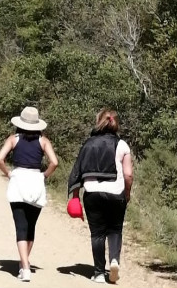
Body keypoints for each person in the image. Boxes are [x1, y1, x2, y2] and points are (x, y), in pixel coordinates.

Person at [67, 109, 133, 284]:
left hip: (92, 194)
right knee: (115, 229)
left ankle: (98, 273)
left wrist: (75, 195)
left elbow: (78, 170)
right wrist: (127, 193)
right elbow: (128, 175)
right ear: (115, 124)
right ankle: (114, 261)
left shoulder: (88, 144)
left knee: (97, 234)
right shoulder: (122, 145)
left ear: (99, 122)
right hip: (116, 193)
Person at [0, 106, 58, 282]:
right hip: (36, 181)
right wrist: (44, 175)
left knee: (20, 226)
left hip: (18, 181)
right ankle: (25, 264)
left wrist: (8, 173)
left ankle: (25, 266)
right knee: (31, 226)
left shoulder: (13, 139)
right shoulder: (43, 141)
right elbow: (54, 162)